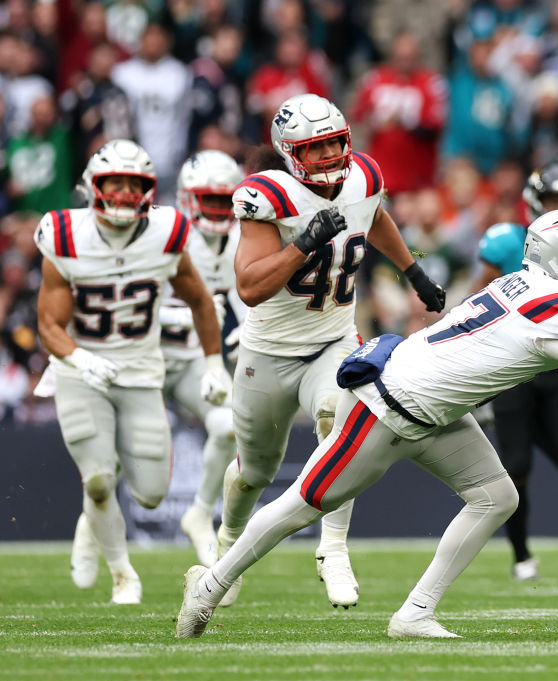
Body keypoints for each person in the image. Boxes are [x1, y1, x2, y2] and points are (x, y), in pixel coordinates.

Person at [176, 207, 558, 639]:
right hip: (387, 405)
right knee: (302, 505)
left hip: (432, 407)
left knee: (495, 496)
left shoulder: (529, 287)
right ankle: (209, 585)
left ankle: (414, 613)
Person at [219, 93, 446, 609]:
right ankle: (228, 546)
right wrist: (301, 244)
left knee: (338, 419)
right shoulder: (266, 195)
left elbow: (374, 215)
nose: (328, 156)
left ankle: (333, 546)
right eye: (315, 148)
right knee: (254, 471)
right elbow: (250, 287)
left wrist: (413, 271)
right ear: (290, 152)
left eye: (334, 144)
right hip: (269, 351)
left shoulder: (363, 176)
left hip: (333, 338)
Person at [34, 139, 229, 604]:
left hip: (142, 371)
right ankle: (123, 573)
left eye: (132, 184)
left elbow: (201, 300)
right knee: (99, 479)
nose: (122, 193)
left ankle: (90, 523)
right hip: (81, 370)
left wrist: (213, 362)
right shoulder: (64, 234)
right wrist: (79, 358)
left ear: (148, 190)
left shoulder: (165, 232)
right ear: (92, 187)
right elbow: (48, 324)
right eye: (113, 183)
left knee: (151, 494)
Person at [473, 163, 558, 581]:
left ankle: (533, 429)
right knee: (516, 469)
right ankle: (522, 556)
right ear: (534, 204)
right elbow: (480, 299)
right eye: (553, 202)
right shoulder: (508, 241)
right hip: (513, 372)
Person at [160, 150, 247, 567]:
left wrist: (249, 329)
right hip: (146, 354)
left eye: (222, 201)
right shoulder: (164, 232)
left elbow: (246, 300)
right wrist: (188, 311)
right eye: (207, 200)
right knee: (121, 462)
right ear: (187, 198)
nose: (215, 210)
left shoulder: (240, 240)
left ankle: (199, 512)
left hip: (197, 359)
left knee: (229, 427)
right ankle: (97, 536)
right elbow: (134, 303)